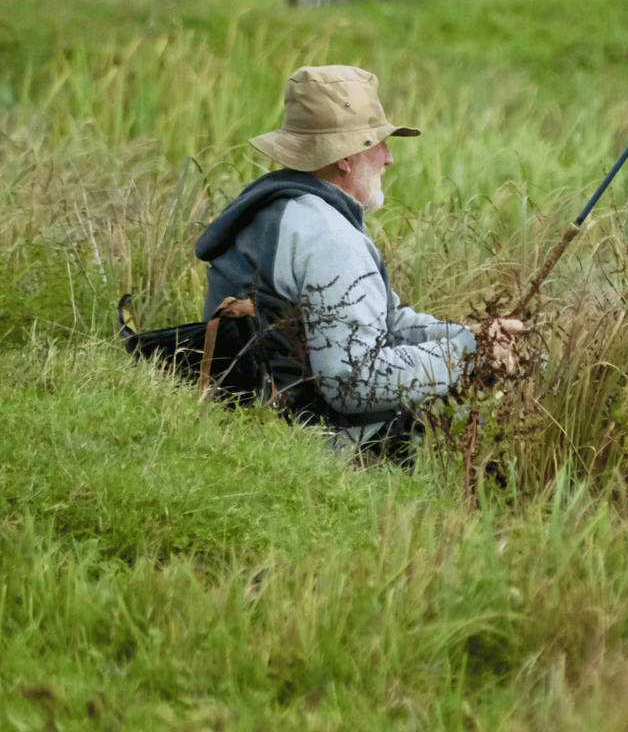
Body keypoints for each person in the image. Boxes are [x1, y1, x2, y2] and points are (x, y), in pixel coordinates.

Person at [194, 65, 520, 457]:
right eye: (377, 143)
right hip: (298, 442)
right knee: (478, 424)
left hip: (254, 417)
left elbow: (388, 323)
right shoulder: (327, 237)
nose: (389, 158)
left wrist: (473, 338)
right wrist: (468, 360)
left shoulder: (283, 207)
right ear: (346, 157)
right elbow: (353, 382)